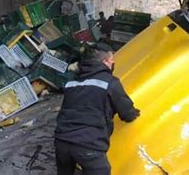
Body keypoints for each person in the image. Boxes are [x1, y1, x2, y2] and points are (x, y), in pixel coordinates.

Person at [54, 43, 140, 175]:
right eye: (112, 61)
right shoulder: (110, 83)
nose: (113, 64)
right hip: (88, 145)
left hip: (61, 142)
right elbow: (127, 113)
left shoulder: (71, 83)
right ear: (105, 62)